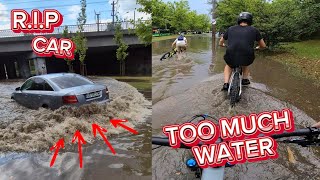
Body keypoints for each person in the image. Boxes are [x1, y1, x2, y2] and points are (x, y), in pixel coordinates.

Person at [219, 12, 266, 91]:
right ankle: (244, 79)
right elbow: (263, 46)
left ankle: (226, 84)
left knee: (229, 65)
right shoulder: (254, 30)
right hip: (247, 55)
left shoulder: (230, 29)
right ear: (250, 20)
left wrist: (222, 45)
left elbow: (221, 41)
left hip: (231, 54)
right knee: (245, 63)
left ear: (239, 20)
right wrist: (258, 47)